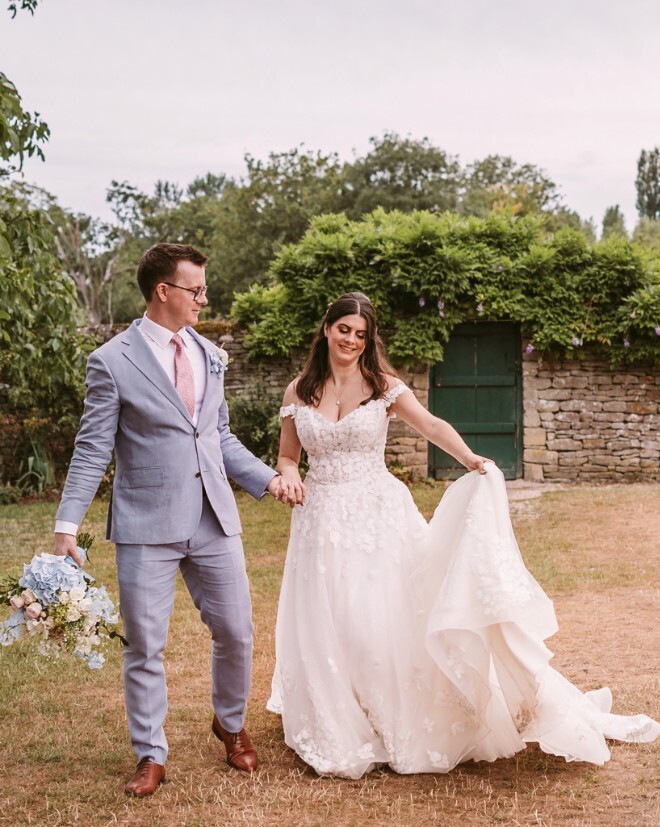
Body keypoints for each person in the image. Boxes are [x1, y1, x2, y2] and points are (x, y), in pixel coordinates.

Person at [267, 291, 660, 779]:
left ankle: (394, 711)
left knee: (381, 615)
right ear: (327, 329)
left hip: (377, 515)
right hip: (320, 519)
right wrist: (290, 476)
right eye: (344, 329)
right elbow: (288, 455)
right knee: (331, 616)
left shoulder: (383, 387)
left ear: (369, 340)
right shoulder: (299, 391)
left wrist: (470, 458)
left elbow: (431, 425)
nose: (350, 339)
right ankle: (342, 710)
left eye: (360, 334)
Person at [54, 243, 294, 796]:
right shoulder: (111, 360)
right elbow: (92, 448)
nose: (204, 299)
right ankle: (150, 752)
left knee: (237, 631)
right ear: (163, 291)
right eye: (196, 289)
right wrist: (66, 525)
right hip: (146, 524)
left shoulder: (210, 353)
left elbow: (218, 435)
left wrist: (266, 479)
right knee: (144, 644)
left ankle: (230, 724)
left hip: (214, 517)